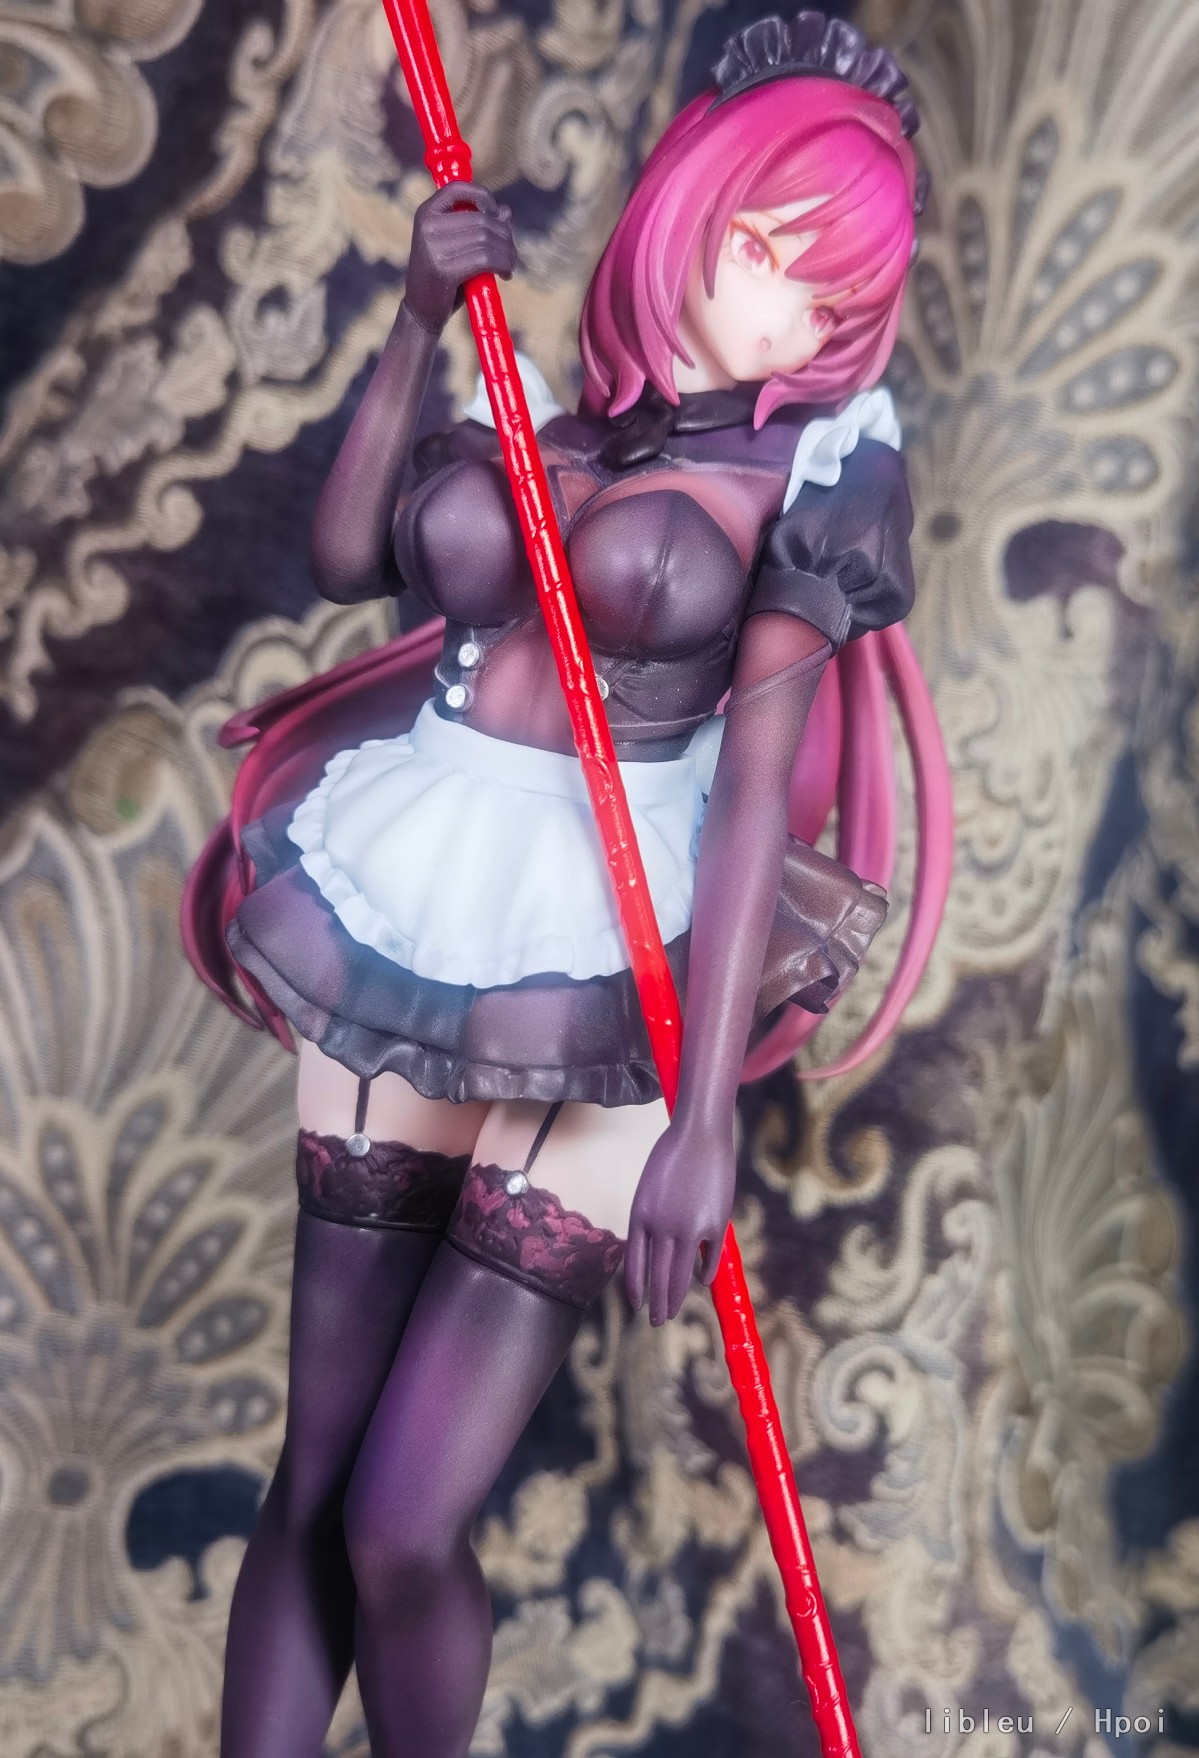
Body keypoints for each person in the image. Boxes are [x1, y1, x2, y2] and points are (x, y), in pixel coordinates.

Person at [181, 12, 950, 1755]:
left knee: (401, 1520)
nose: (787, 319)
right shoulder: (530, 403)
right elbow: (344, 557)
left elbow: (750, 795)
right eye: (767, 254)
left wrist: (705, 1115)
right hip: (412, 891)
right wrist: (412, 317)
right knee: (315, 1480)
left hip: (623, 952)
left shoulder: (817, 475)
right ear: (690, 204)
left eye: (829, 300)